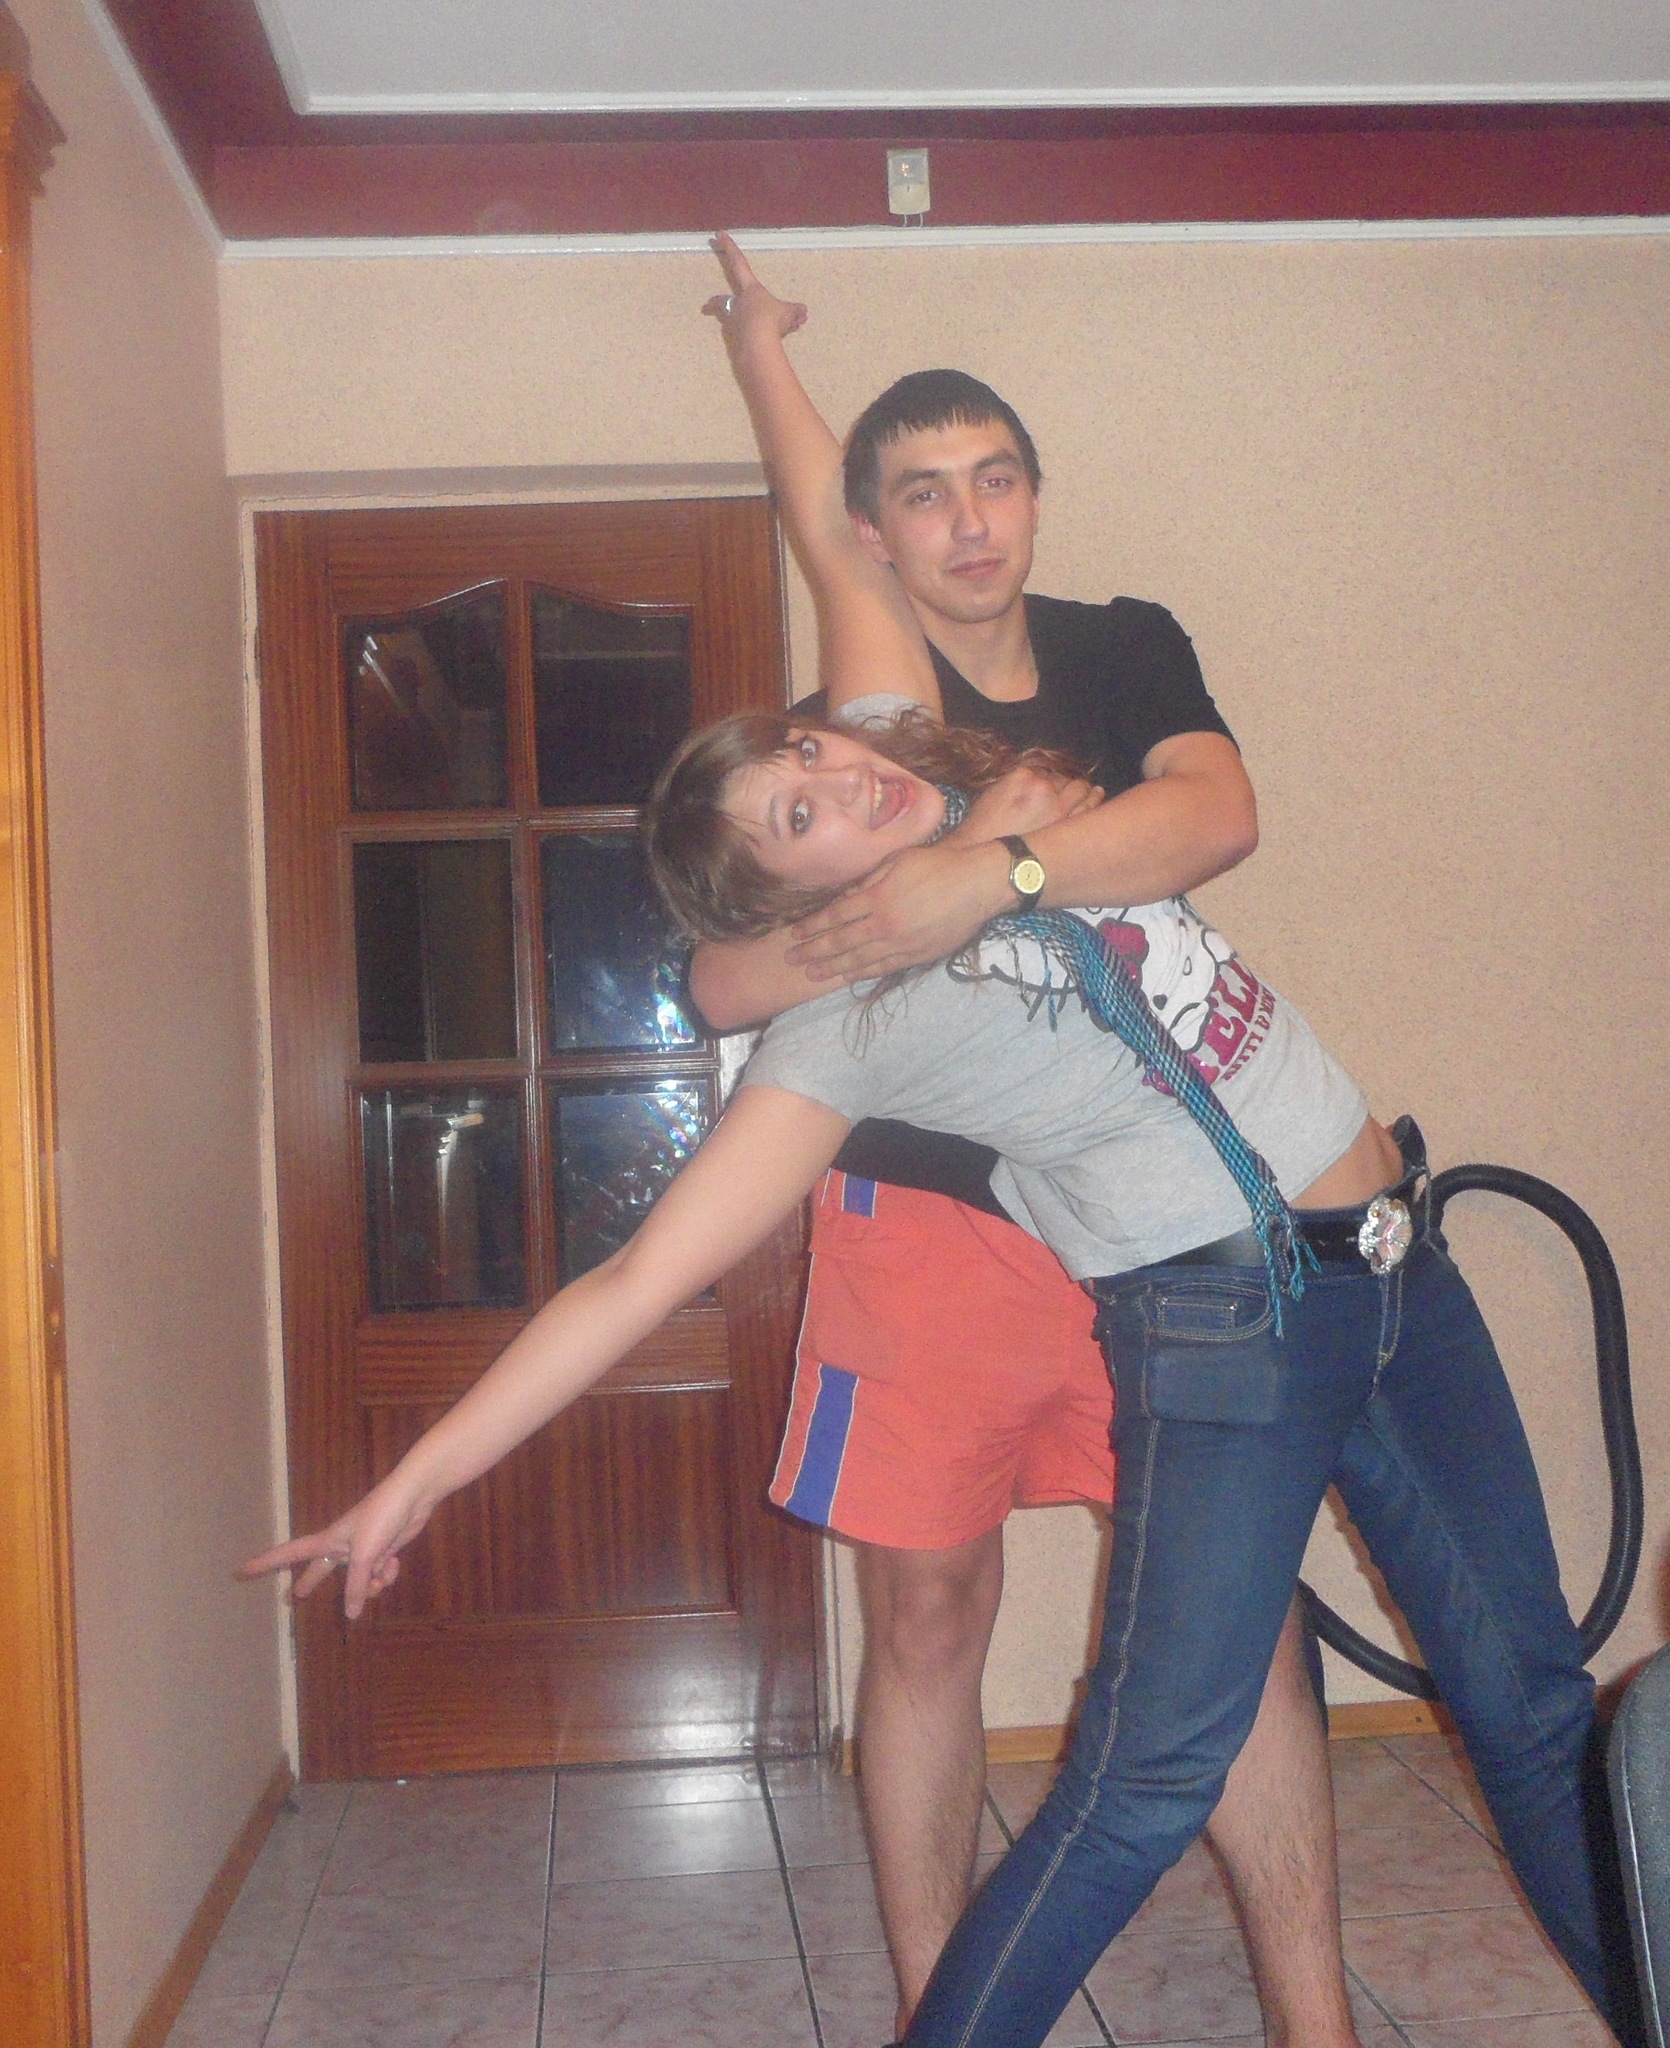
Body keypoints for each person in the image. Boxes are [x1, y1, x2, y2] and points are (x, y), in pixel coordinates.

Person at [245, 693, 1636, 2048]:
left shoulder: (999, 818)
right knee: (1141, 1788)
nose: (842, 777)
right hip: (1233, 1331)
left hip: (1403, 1276)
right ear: (791, 909)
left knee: (1532, 1718)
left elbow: (1180, 805)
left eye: (810, 749)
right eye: (800, 816)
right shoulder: (849, 1025)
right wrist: (415, 1482)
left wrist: (991, 855)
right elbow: (633, 1281)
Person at [691, 238, 1357, 2043]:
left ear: (1034, 497)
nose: (968, 521)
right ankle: (949, 2012)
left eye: (994, 480)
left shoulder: (1124, 646)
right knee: (925, 1617)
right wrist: (759, 348)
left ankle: (1314, 2021)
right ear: (881, 533)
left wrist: (986, 871)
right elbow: (723, 968)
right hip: (920, 1234)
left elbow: (1211, 816)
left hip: (1152, 1220)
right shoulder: (860, 729)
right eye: (923, 494)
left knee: (1233, 1615)